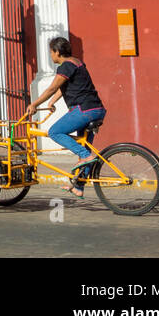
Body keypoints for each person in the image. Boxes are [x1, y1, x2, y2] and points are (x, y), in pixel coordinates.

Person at [25, 37, 106, 198]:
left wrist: (34, 104)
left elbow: (52, 87)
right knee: (84, 147)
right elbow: (63, 88)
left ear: (57, 52)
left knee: (55, 132)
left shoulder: (66, 66)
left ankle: (85, 156)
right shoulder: (77, 62)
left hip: (84, 110)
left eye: (51, 52)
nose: (50, 55)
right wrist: (52, 102)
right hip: (96, 108)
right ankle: (79, 186)